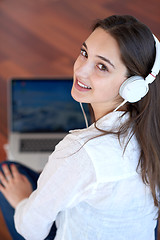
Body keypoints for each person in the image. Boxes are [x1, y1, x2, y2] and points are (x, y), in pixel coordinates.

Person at [0, 14, 160, 240]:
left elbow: (31, 230)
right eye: (84, 53)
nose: (80, 70)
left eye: (102, 66)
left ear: (133, 87)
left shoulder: (79, 152)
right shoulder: (152, 129)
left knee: (5, 172)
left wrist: (22, 200)